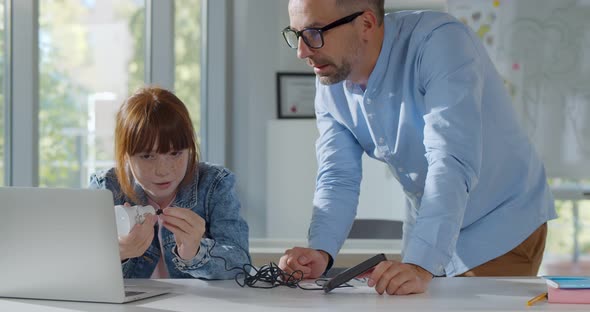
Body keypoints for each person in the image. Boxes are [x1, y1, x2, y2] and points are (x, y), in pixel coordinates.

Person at [278, 0, 557, 295]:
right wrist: (321, 250)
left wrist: (421, 263)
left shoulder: (440, 43)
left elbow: (450, 161)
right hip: (430, 221)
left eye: (314, 32)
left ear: (366, 24)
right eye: (296, 35)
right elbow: (337, 176)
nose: (302, 51)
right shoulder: (332, 77)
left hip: (499, 221)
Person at [89, 86, 250, 279]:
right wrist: (118, 254)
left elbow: (241, 265)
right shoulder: (107, 188)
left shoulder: (215, 185)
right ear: (126, 156)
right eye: (147, 156)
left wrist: (195, 252)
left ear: (190, 148)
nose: (163, 170)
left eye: (175, 154)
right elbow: (79, 267)